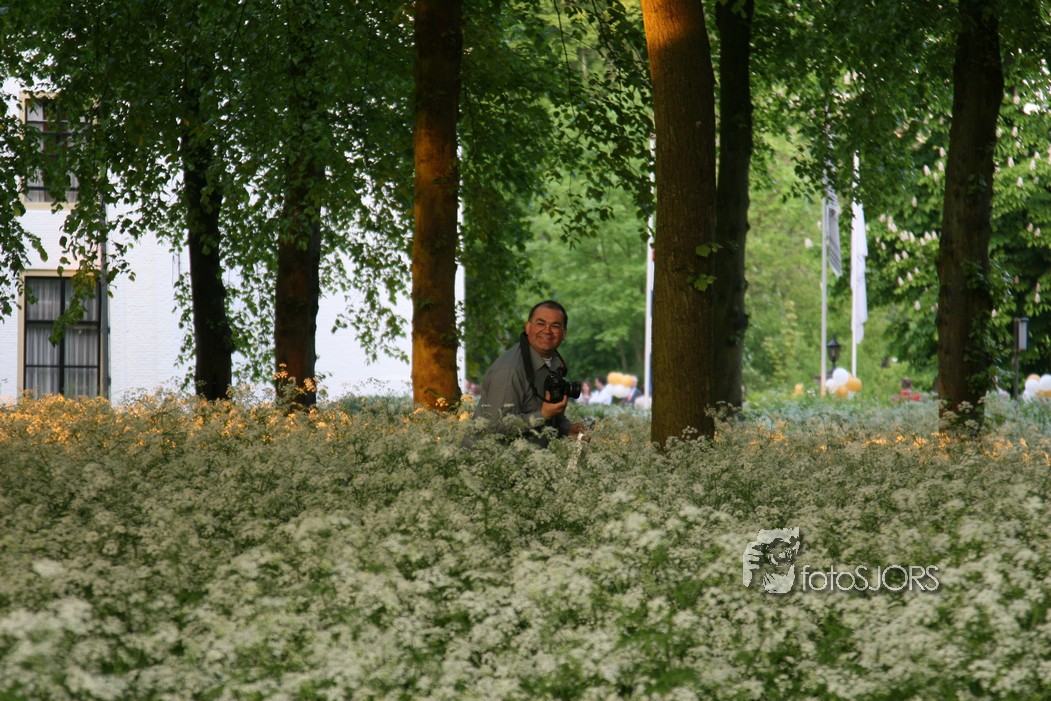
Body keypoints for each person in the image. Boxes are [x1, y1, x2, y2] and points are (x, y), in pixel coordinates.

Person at [469, 300, 586, 447]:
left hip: (527, 458)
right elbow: (493, 426)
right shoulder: (510, 370)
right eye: (540, 324)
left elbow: (547, 409)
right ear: (528, 327)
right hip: (488, 459)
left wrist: (566, 429)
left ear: (564, 333)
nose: (547, 331)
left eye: (555, 326)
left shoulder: (553, 363)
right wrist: (542, 415)